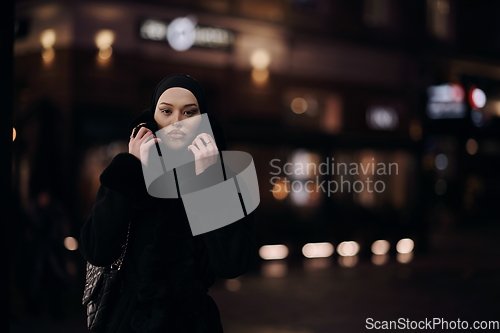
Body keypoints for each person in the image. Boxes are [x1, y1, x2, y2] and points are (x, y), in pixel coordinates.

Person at [79, 74, 258, 333]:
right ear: (154, 115)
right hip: (129, 320)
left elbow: (232, 264)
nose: (177, 122)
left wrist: (209, 181)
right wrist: (132, 168)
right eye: (166, 111)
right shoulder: (128, 170)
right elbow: (96, 249)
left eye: (189, 112)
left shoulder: (224, 175)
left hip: (193, 322)